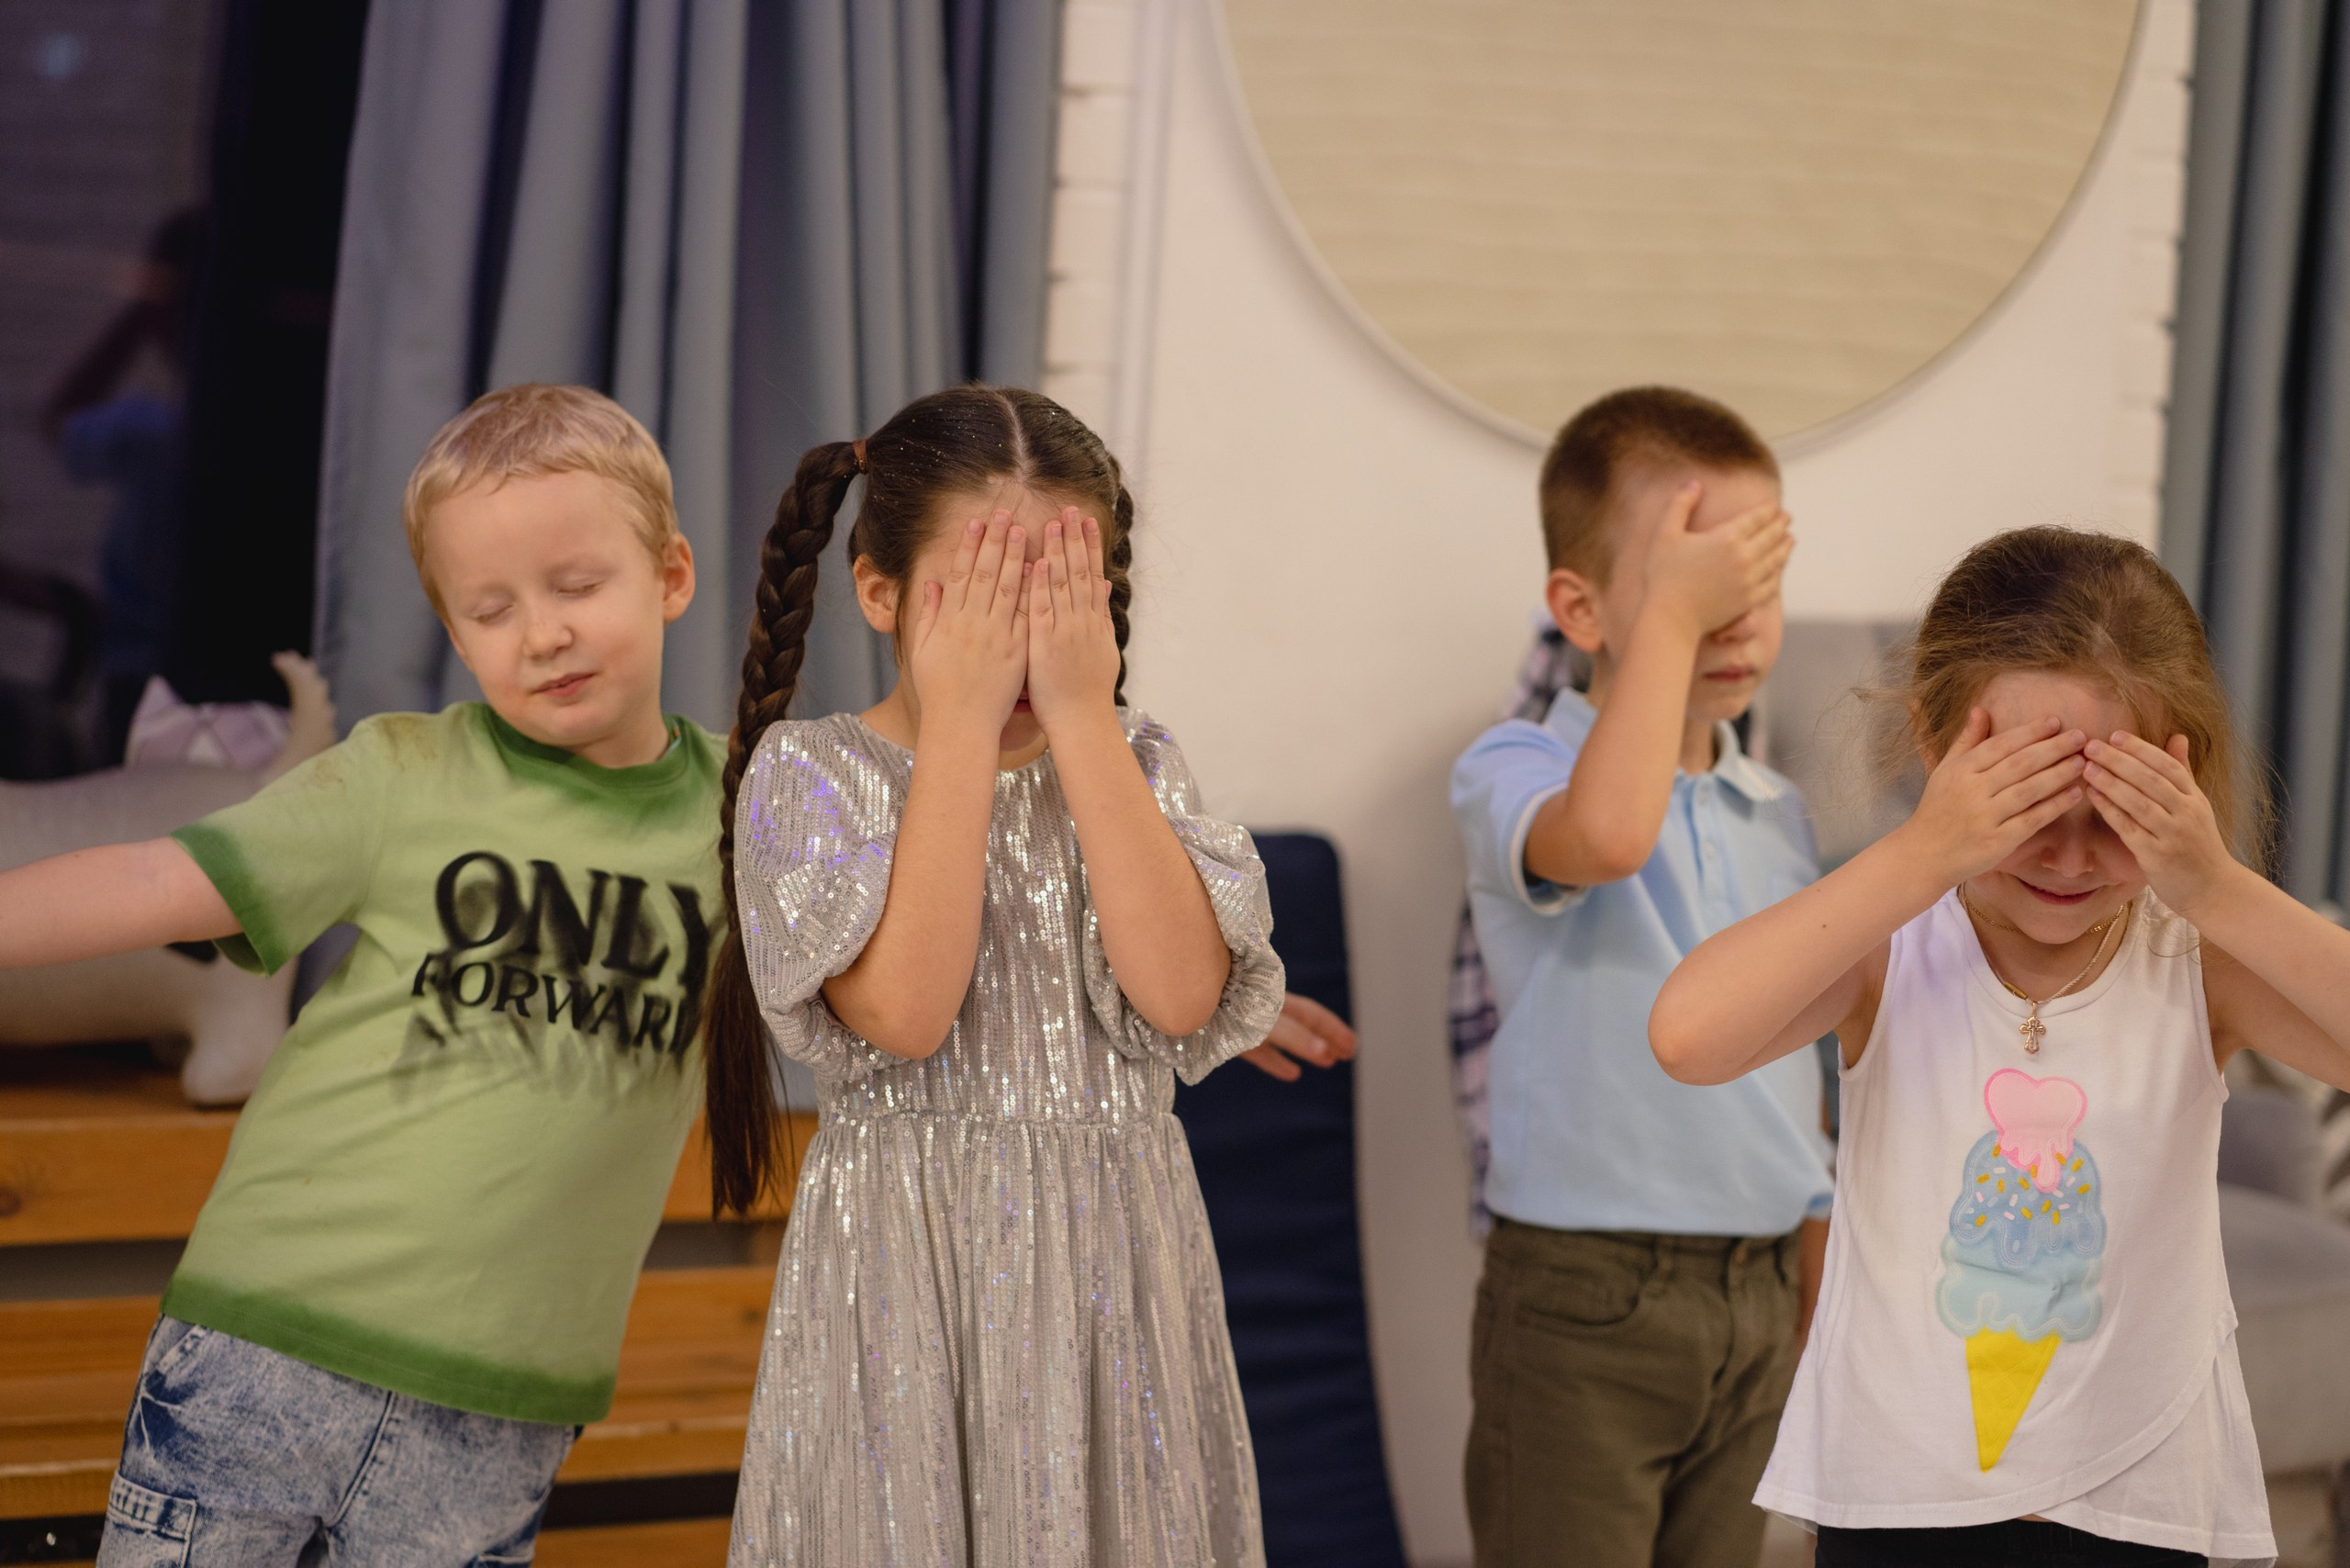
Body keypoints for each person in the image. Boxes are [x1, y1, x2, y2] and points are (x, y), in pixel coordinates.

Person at [0, 384, 716, 1565]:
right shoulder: (399, 773)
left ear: (671, 576)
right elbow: (151, 883)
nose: (541, 633)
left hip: (502, 1410)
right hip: (261, 1358)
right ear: (454, 632)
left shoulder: (751, 818)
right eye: (491, 610)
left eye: (577, 586)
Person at [1651, 527, 2350, 1564]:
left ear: (2179, 781)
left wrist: (2217, 889)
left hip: (2135, 1496)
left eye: (2111, 815)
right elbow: (1686, 1037)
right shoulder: (1886, 946)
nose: (2069, 858)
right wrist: (1920, 851)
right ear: (1939, 753)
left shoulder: (2195, 958)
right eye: (2027, 805)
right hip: (1899, 1496)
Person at [707, 385, 1286, 1567]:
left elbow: (1179, 997)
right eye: (982, 601)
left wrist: (1084, 721)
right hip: (904, 1282)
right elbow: (907, 1014)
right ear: (881, 593)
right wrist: (964, 725)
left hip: (1117, 1278)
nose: (1022, 643)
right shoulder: (807, 776)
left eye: (1060, 601)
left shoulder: (1134, 768)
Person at [1450, 386, 1824, 1568]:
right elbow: (1608, 838)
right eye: (1690, 584)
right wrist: (1667, 621)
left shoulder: (1780, 811)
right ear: (1582, 607)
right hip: (1584, 1296)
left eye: (1751, 584)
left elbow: (1801, 1070)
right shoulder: (1514, 765)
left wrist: (1814, 1282)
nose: (1733, 618)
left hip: (1760, 1292)